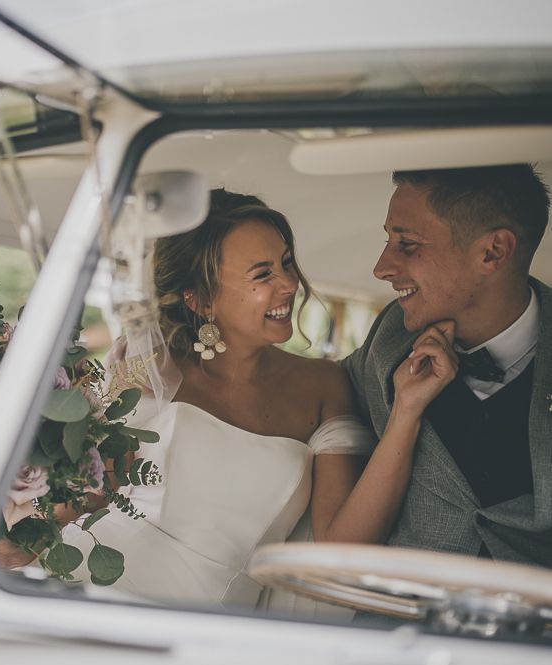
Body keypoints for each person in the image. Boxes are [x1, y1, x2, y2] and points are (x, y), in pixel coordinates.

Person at [56, 188, 457, 608]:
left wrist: (406, 413)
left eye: (286, 263)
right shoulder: (147, 366)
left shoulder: (322, 386)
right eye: (263, 274)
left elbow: (342, 545)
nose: (289, 284)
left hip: (208, 624)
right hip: (88, 580)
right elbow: (92, 492)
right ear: (201, 299)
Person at [343, 164, 552, 565]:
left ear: (492, 252)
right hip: (398, 615)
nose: (381, 268)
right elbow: (322, 387)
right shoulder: (391, 336)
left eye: (407, 244)